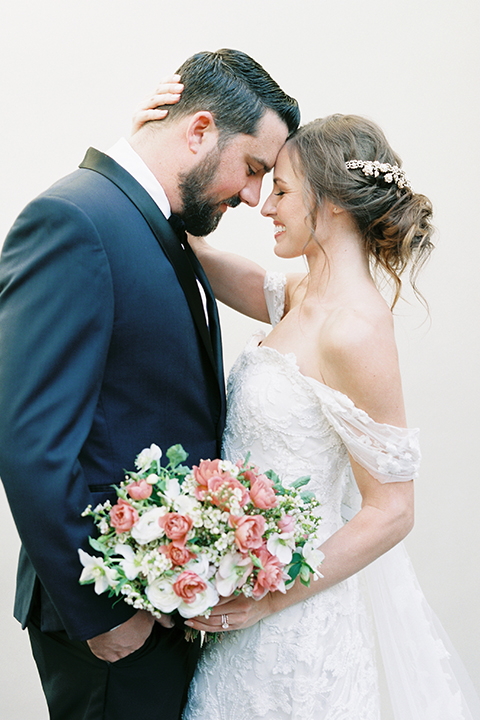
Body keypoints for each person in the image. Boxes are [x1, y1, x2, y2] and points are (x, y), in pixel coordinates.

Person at [134, 92, 480, 718]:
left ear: (335, 202)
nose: (264, 205)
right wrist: (145, 150)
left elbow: (392, 511)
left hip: (295, 625)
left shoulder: (355, 330)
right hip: (239, 624)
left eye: (283, 191)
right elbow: (196, 256)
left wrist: (270, 599)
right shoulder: (299, 296)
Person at [0, 49, 299, 720]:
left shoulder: (149, 219)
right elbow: (30, 444)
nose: (253, 196)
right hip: (111, 618)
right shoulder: (75, 220)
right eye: (252, 169)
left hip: (167, 608)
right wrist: (103, 617)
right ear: (198, 130)